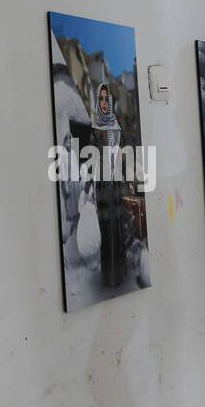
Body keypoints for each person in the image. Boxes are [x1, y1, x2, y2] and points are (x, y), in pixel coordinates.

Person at [89, 83, 129, 287]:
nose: (104, 103)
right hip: (103, 183)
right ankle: (108, 276)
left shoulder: (115, 124)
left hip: (116, 181)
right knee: (106, 228)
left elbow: (121, 153)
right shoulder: (96, 127)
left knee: (117, 226)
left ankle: (120, 273)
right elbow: (93, 158)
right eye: (101, 99)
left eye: (107, 99)